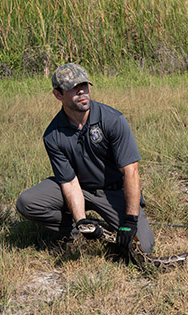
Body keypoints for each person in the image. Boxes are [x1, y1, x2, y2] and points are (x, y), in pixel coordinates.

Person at [16, 63, 155, 256]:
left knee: (143, 248)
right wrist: (81, 221)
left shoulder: (113, 120)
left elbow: (131, 171)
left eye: (85, 85)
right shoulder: (53, 135)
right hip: (80, 188)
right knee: (28, 202)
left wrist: (130, 220)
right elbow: (70, 182)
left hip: (114, 191)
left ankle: (112, 226)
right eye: (73, 88)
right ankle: (76, 230)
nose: (82, 91)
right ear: (58, 94)